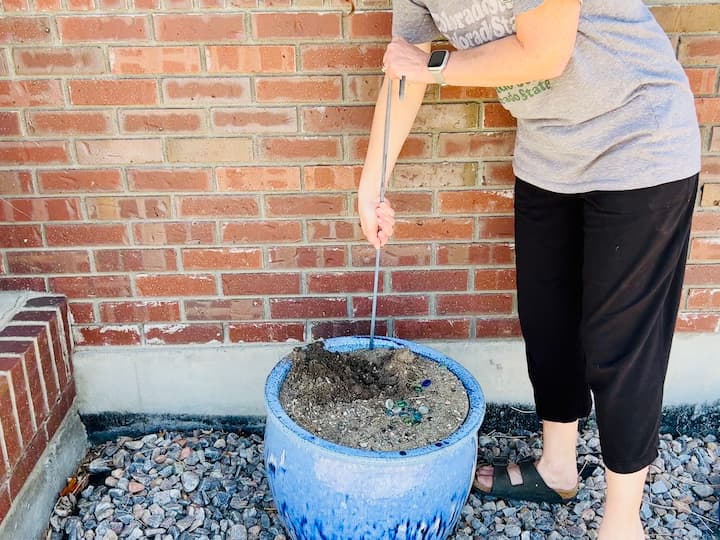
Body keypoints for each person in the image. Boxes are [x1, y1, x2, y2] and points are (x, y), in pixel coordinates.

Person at [356, 1, 701, 539]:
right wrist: (371, 184)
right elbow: (406, 66)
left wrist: (437, 67)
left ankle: (622, 523)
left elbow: (545, 52)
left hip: (639, 139)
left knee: (620, 347)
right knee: (548, 321)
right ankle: (558, 468)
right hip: (549, 153)